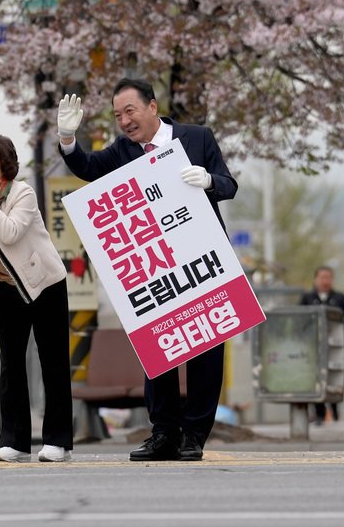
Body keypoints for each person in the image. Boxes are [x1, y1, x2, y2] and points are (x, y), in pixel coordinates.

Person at [57, 78, 238, 462]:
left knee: (206, 350)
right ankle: (164, 433)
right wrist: (68, 139)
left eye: (130, 111)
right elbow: (88, 169)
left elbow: (228, 184)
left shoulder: (197, 138)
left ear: (152, 107)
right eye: (118, 114)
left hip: (201, 258)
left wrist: (208, 181)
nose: (124, 121)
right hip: (154, 264)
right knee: (159, 349)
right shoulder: (124, 150)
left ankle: (194, 435)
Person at [0, 133, 73, 463]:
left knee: (53, 363)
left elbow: (10, 233)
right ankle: (15, 441)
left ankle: (58, 441)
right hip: (5, 288)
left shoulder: (23, 193)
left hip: (44, 285)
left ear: (3, 163)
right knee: (11, 364)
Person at [299, 266, 344, 424]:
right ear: (315, 279)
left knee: (335, 377)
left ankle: (335, 409)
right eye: (322, 277)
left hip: (335, 346)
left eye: (328, 277)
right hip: (314, 347)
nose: (325, 281)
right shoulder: (307, 298)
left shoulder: (340, 298)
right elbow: (299, 318)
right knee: (315, 379)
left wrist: (338, 326)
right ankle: (319, 414)